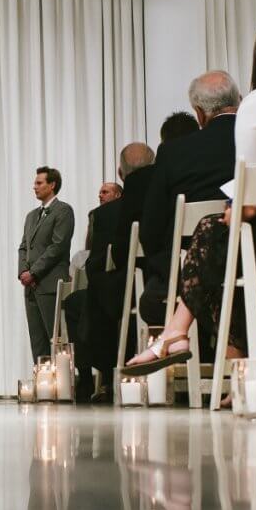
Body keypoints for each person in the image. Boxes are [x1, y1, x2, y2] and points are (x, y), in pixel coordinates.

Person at [124, 13, 256, 375]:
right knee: (223, 244)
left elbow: (251, 199)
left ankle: (186, 338)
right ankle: (224, 357)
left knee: (215, 234)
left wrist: (234, 210)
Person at [137, 72, 241, 328]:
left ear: (199, 113)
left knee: (152, 301)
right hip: (251, 263)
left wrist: (167, 271)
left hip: (189, 275)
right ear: (238, 101)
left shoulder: (174, 152)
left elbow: (151, 227)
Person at [81, 142, 156, 399]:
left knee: (98, 288)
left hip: (132, 285)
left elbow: (102, 261)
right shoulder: (166, 193)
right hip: (169, 277)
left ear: (121, 173)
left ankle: (110, 369)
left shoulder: (108, 214)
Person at [65, 175, 129, 401]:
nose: (100, 195)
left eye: (106, 192)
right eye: (99, 192)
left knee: (82, 304)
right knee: (77, 301)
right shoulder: (83, 251)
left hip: (115, 281)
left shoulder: (111, 215)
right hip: (110, 278)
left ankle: (91, 376)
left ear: (119, 194)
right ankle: (86, 375)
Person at [18, 167, 76, 361]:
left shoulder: (63, 211)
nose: (34, 187)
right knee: (37, 339)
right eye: (35, 183)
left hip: (49, 284)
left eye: (39, 183)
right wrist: (23, 272)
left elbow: (57, 246)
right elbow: (23, 247)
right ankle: (42, 386)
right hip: (30, 286)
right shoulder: (31, 216)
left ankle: (61, 385)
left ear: (52, 185)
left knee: (55, 338)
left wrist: (33, 272)